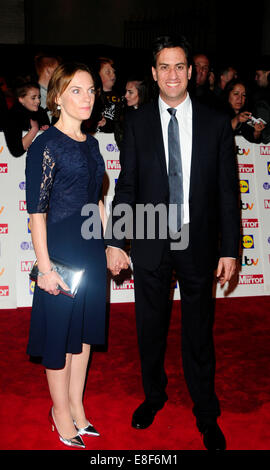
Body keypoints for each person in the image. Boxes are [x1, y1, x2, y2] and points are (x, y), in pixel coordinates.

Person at [105, 35, 240, 451]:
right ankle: (154, 395)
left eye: (179, 66)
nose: (173, 74)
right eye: (164, 66)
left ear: (190, 71)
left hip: (198, 241)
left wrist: (230, 248)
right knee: (150, 328)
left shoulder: (216, 122)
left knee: (199, 331)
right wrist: (115, 241)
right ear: (153, 73)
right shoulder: (138, 122)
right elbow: (126, 186)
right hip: (149, 237)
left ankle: (205, 410)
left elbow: (227, 192)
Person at [25, 62, 107, 449]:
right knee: (60, 337)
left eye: (90, 90)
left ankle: (76, 405)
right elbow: (36, 212)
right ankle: (59, 412)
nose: (87, 97)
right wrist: (44, 267)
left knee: (84, 334)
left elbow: (97, 200)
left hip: (90, 249)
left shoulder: (92, 144)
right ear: (57, 96)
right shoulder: (46, 143)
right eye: (76, 90)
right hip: (60, 253)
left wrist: (108, 244)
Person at [3, 78, 49, 157]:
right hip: (14, 166)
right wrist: (34, 130)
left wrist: (47, 131)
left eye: (39, 97)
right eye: (33, 98)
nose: (38, 101)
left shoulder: (41, 112)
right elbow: (16, 151)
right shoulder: (12, 116)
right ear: (21, 99)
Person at [223, 78, 265, 142]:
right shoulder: (219, 113)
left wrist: (257, 131)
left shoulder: (247, 114)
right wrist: (236, 119)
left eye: (243, 95)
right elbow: (220, 133)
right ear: (228, 95)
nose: (240, 98)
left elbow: (252, 138)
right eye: (236, 94)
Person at [34, 53, 61, 120]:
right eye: (57, 69)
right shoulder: (29, 94)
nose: (60, 73)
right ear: (48, 70)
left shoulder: (60, 93)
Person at [251, 58, 270, 144]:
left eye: (258, 75)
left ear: (268, 74)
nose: (255, 78)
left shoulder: (262, 97)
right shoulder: (260, 94)